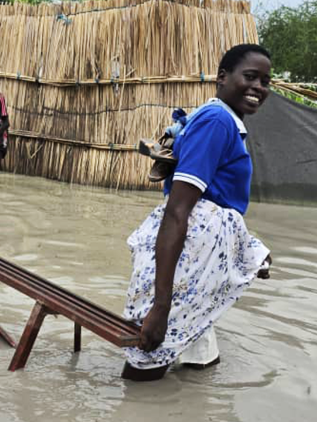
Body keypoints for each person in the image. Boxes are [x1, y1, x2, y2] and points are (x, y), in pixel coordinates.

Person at [121, 44, 274, 382]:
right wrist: (161, 307)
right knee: (146, 364)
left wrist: (249, 252)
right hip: (186, 252)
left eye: (266, 81)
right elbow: (179, 212)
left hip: (197, 251)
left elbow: (218, 203)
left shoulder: (223, 120)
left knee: (199, 362)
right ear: (223, 77)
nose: (259, 88)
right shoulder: (218, 121)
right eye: (250, 77)